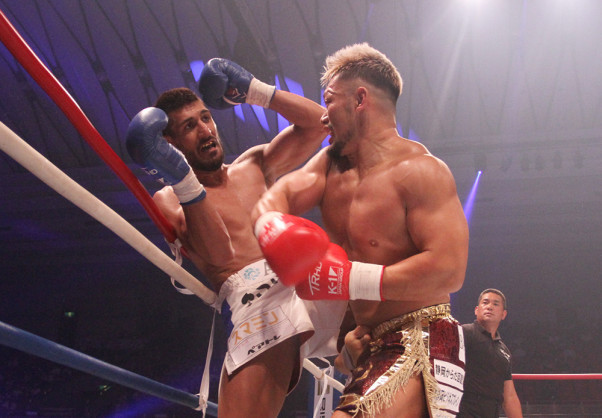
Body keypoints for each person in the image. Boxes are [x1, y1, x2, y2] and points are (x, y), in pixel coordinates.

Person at [252, 43, 470, 417]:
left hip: (422, 334)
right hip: (369, 343)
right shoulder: (330, 165)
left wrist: (347, 279)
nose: (324, 117)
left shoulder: (421, 171)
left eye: (329, 100)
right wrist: (271, 227)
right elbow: (278, 195)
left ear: (360, 99)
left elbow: (449, 270)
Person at [125, 58, 347, 417]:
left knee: (381, 308)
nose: (205, 130)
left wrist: (254, 91)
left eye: (205, 118)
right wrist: (184, 180)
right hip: (255, 297)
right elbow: (218, 253)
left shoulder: (254, 164)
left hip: (305, 270)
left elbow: (319, 124)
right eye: (189, 126)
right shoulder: (169, 198)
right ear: (169, 143)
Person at [458, 289, 523, 418]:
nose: (489, 307)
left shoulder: (504, 351)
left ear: (503, 314)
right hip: (462, 411)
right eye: (485, 302)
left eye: (495, 304)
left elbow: (509, 396)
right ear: (477, 310)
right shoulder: (463, 332)